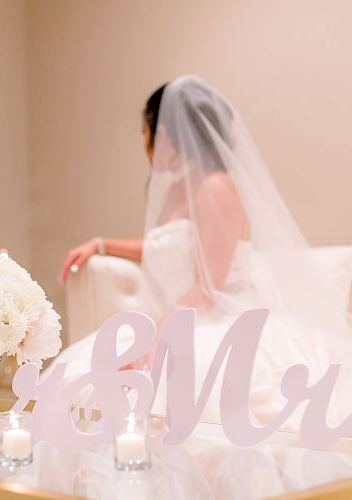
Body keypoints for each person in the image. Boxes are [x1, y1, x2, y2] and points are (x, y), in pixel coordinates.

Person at [50, 75, 352, 424]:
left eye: (145, 133)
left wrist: (157, 337)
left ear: (162, 133)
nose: (145, 143)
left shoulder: (216, 187)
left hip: (220, 316)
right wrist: (101, 244)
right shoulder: (178, 188)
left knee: (179, 380)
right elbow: (166, 246)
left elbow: (211, 286)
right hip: (183, 316)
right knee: (89, 373)